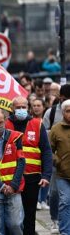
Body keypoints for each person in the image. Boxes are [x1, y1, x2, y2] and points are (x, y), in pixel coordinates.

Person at [4, 96, 52, 235]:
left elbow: (46, 151)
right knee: (12, 217)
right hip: (10, 178)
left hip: (32, 177)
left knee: (30, 215)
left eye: (23, 107)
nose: (20, 110)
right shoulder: (5, 125)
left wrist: (46, 175)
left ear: (28, 108)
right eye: (17, 107)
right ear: (12, 109)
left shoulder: (37, 124)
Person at [42, 84, 70, 232]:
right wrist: (55, 159)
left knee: (66, 201)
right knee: (55, 195)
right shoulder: (51, 113)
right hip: (58, 166)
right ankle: (55, 220)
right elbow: (46, 141)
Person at [49, 99, 70, 235]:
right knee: (65, 202)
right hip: (62, 174)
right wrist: (56, 160)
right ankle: (65, 231)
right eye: (68, 111)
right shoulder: (56, 129)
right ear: (62, 113)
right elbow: (48, 150)